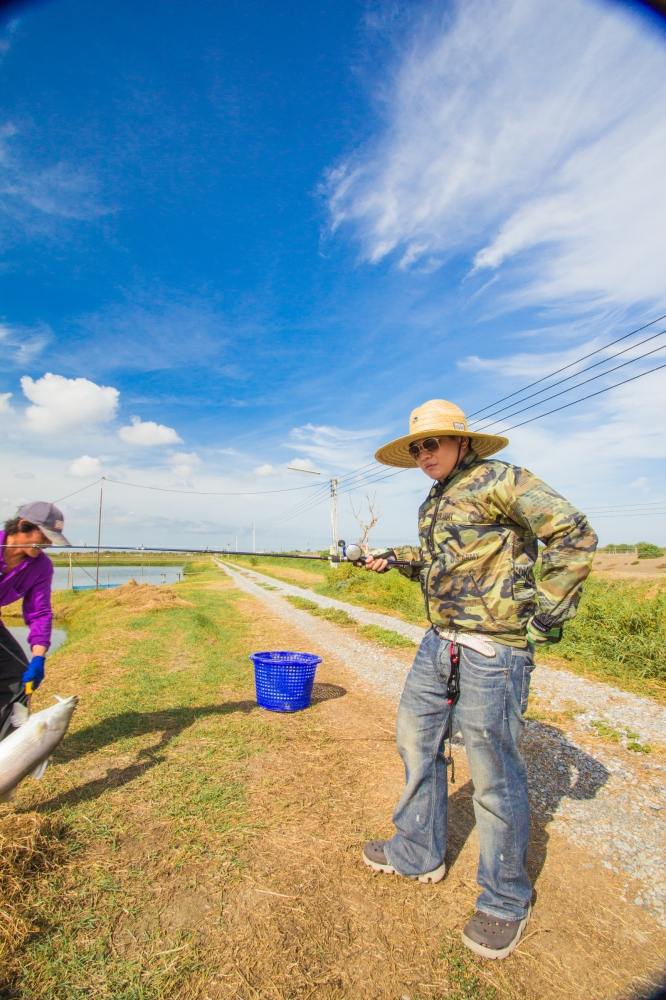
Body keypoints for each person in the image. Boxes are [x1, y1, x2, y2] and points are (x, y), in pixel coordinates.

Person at [362, 399, 597, 960]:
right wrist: (395, 558)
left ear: (462, 442)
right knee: (417, 746)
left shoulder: (503, 480)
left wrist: (547, 614)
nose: (424, 454)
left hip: (495, 652)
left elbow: (574, 534)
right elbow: (443, 559)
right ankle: (418, 850)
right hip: (439, 642)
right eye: (416, 446)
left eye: (433, 443)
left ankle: (504, 899)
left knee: (494, 775)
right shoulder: (436, 498)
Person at [0, 502, 70, 740]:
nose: (48, 545)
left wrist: (39, 657)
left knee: (17, 678)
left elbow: (39, 612)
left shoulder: (41, 566)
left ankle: (8, 747)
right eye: (45, 536)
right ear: (22, 525)